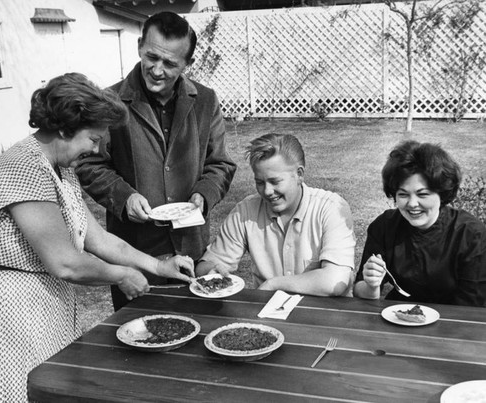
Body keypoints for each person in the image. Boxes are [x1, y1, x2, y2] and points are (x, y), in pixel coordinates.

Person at [0, 73, 195, 402]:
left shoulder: (60, 168)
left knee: (54, 389)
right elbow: (65, 262)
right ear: (66, 128)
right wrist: (121, 274)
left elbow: (100, 240)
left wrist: (159, 266)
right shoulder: (21, 167)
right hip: (14, 312)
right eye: (93, 139)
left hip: (46, 303)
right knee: (23, 392)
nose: (97, 148)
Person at [76, 11, 236, 310]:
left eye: (170, 63)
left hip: (191, 250)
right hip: (135, 252)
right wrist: (124, 196)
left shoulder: (205, 101)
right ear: (139, 46)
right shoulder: (109, 101)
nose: (157, 70)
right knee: (140, 338)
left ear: (187, 63)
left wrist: (205, 193)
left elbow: (221, 164)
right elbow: (89, 164)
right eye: (152, 57)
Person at [196, 133, 356, 296]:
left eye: (275, 181)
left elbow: (335, 281)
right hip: (267, 316)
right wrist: (211, 270)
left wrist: (274, 284)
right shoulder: (245, 212)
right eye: (259, 182)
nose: (267, 191)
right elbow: (205, 267)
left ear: (299, 174)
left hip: (325, 317)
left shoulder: (332, 209)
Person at [354, 140, 486, 306]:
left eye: (422, 194)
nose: (412, 204)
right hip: (399, 316)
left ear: (442, 194)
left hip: (454, 322)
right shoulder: (385, 226)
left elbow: (473, 308)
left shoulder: (471, 235)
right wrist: (371, 286)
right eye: (403, 194)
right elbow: (360, 290)